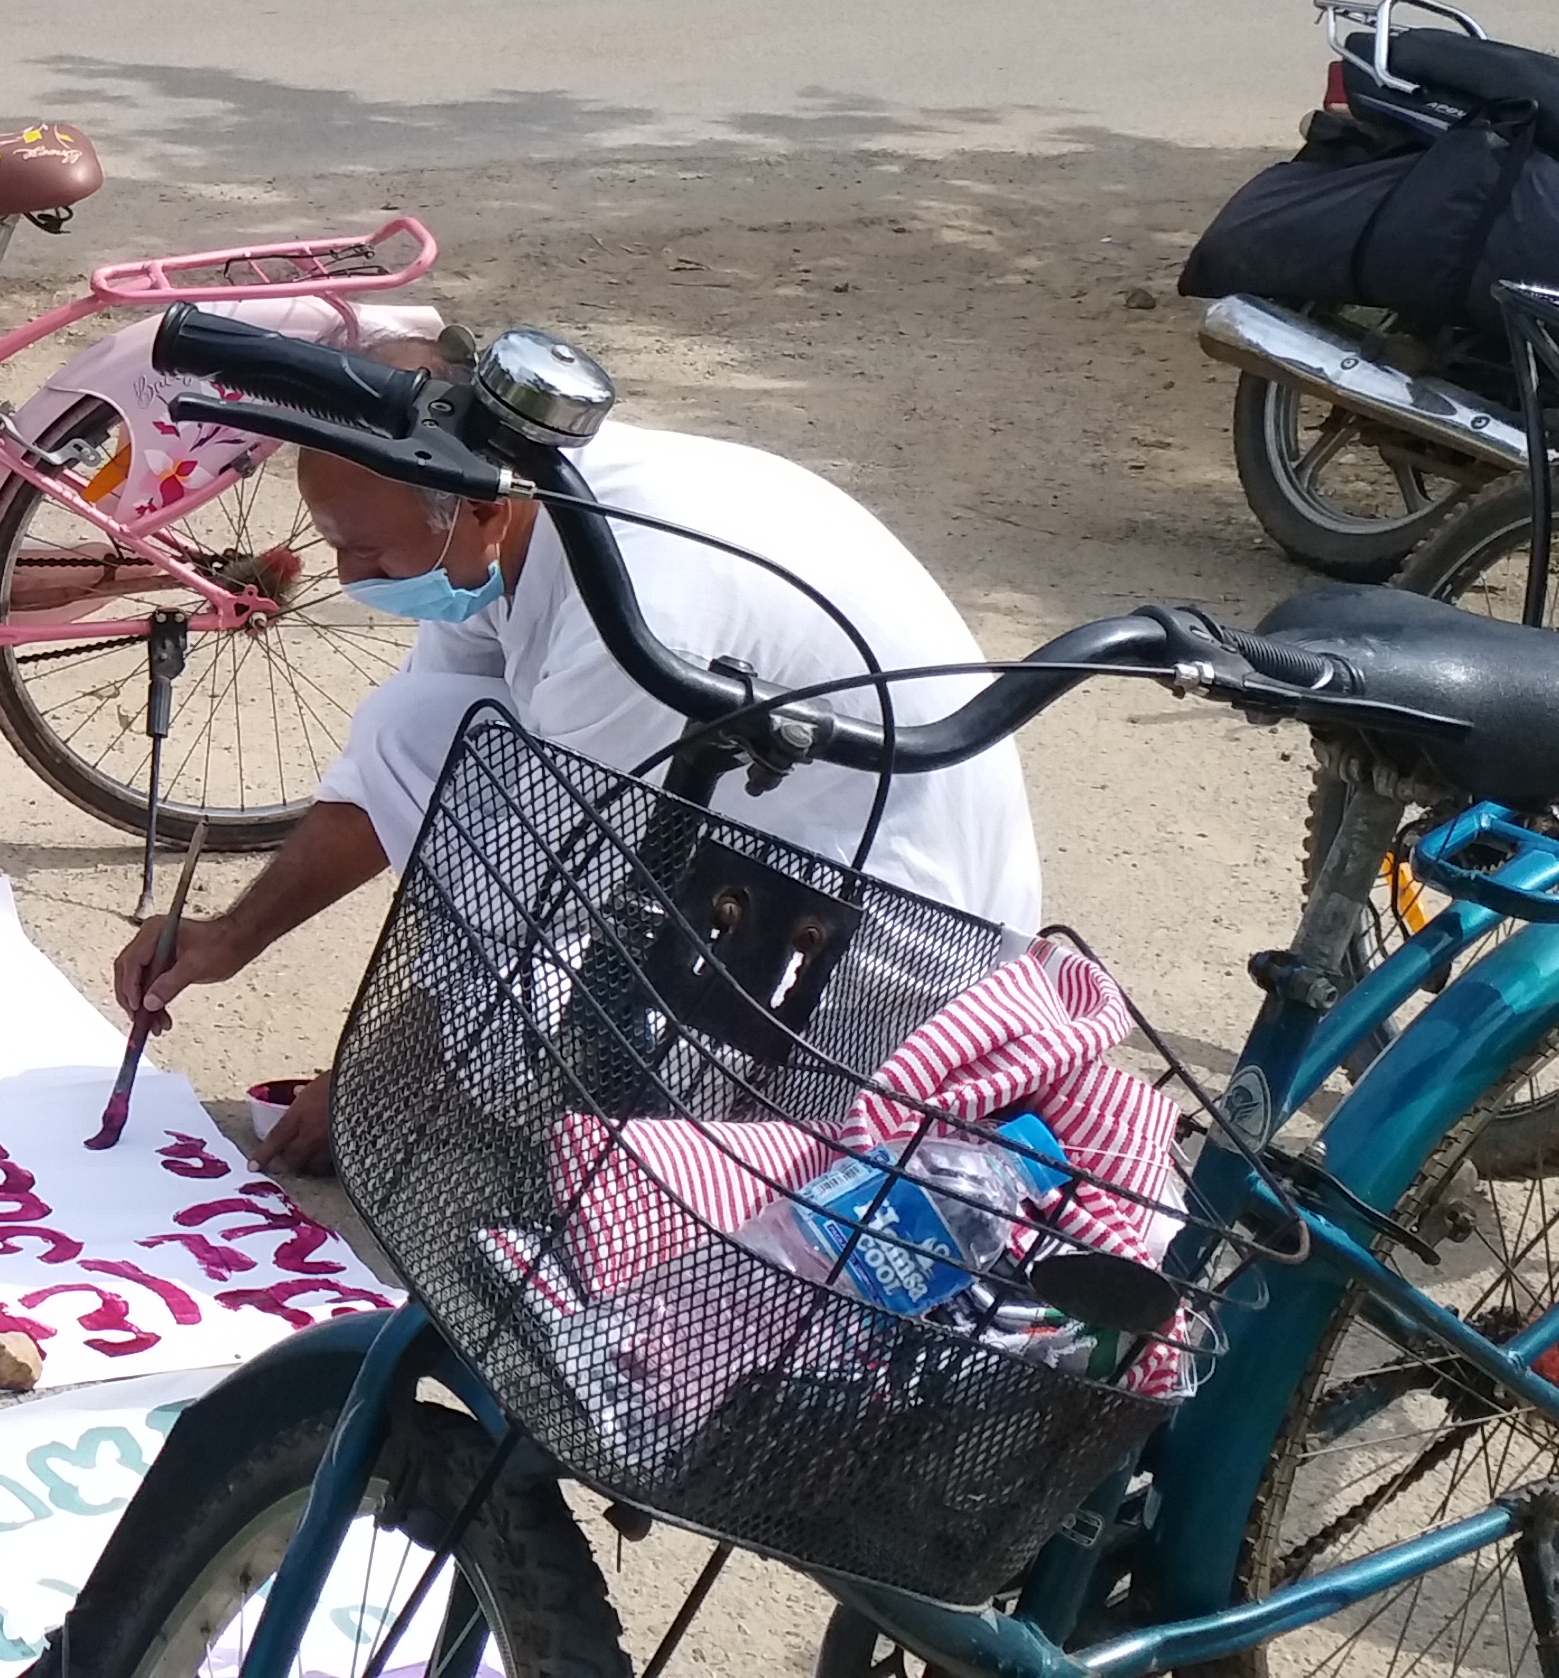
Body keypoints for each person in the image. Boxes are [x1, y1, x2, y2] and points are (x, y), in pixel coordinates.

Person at [115, 350, 1039, 1176]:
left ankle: (723, 1109)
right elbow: (410, 756)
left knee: (539, 1077)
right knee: (415, 720)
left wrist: (363, 1083)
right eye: (337, 545)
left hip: (886, 941)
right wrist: (233, 936)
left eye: (366, 549)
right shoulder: (514, 504)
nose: (353, 580)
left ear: (476, 504)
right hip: (748, 840)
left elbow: (547, 888)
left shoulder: (640, 597)